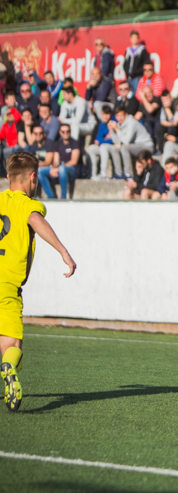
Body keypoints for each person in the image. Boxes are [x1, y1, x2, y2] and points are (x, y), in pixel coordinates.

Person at [0, 151, 77, 412]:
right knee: (11, 343)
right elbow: (35, 220)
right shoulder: (28, 205)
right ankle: (9, 367)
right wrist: (63, 251)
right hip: (7, 284)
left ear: (8, 176)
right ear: (34, 177)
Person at [109, 105, 154, 179]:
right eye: (117, 116)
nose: (119, 118)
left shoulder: (131, 122)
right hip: (135, 146)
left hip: (146, 146)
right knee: (114, 148)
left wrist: (117, 129)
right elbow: (118, 142)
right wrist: (111, 131)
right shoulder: (120, 125)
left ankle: (127, 174)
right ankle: (118, 173)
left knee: (124, 148)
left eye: (121, 115)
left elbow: (126, 141)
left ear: (126, 115)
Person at [41, 124, 83, 200]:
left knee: (62, 169)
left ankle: (63, 196)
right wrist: (53, 169)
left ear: (70, 132)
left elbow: (74, 161)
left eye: (67, 131)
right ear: (60, 132)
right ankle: (50, 196)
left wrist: (58, 168)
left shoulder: (75, 143)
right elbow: (56, 161)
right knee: (40, 171)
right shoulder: (57, 144)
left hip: (73, 170)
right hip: (60, 170)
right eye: (63, 132)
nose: (65, 133)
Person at [86, 106, 118, 179]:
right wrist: (105, 139)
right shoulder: (102, 124)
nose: (105, 116)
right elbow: (97, 140)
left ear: (110, 114)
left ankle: (103, 173)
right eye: (104, 114)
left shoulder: (114, 122)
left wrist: (104, 140)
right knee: (91, 148)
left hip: (114, 147)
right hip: (104, 147)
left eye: (107, 114)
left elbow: (114, 140)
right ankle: (93, 173)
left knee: (103, 146)